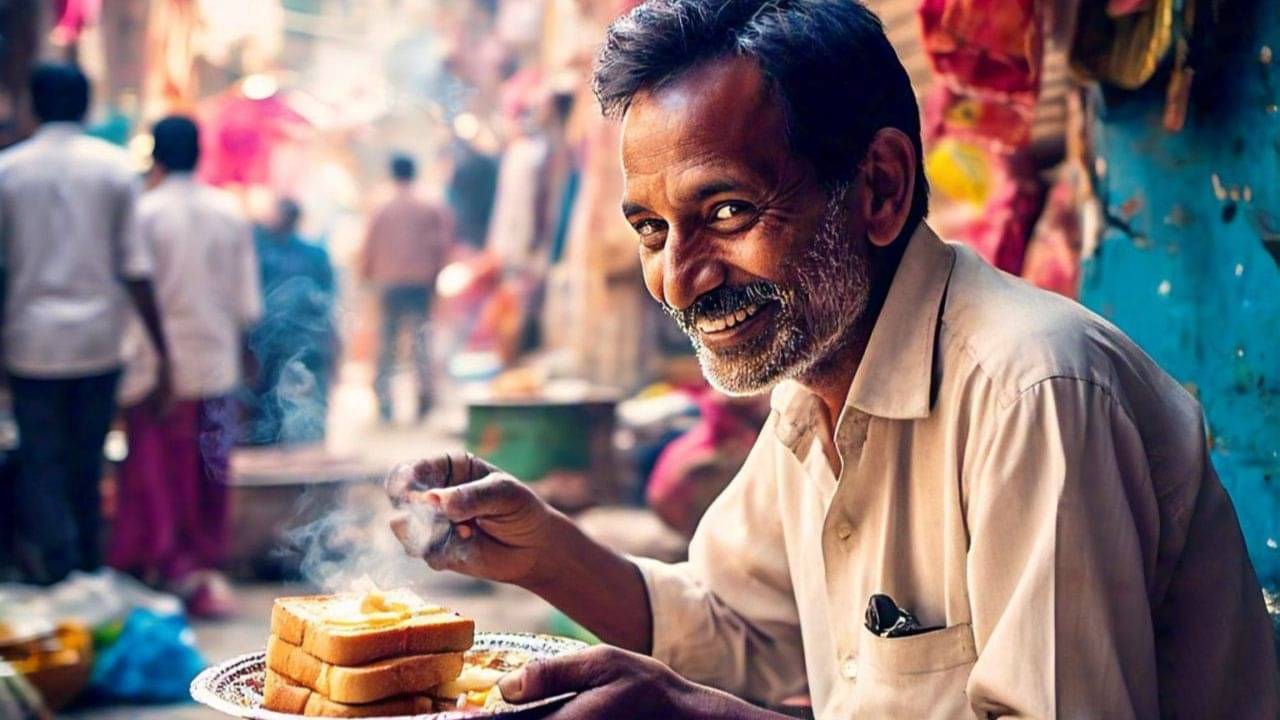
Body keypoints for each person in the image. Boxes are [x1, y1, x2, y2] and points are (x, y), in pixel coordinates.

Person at [386, 1, 1278, 718]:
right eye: (653, 230)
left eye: (727, 212)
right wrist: (538, 549)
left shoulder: (1032, 393)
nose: (679, 280)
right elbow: (730, 626)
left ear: (881, 188)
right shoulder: (815, 387)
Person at [0, 63, 171, 585]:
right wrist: (162, 349)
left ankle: (57, 574)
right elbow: (136, 271)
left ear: (32, 104)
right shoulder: (116, 169)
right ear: (85, 105)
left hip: (30, 343)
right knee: (88, 458)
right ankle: (89, 570)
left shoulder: (8, 170)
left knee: (40, 460)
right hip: (98, 342)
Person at [108, 116, 262, 615]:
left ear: (156, 156)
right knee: (209, 473)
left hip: (155, 371)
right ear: (200, 154)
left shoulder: (144, 213)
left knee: (155, 474)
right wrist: (243, 359)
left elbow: (130, 292)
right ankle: (203, 568)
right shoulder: (228, 214)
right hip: (214, 364)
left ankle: (166, 567)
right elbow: (246, 306)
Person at [359, 153, 454, 422]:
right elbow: (443, 245)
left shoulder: (381, 206)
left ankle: (385, 403)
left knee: (387, 343)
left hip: (388, 283)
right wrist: (435, 275)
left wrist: (367, 277)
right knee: (421, 341)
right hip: (420, 283)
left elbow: (368, 247)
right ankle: (424, 399)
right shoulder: (430, 204)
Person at [244, 198, 337, 445]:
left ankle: (292, 442)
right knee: (277, 392)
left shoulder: (265, 252)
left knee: (290, 392)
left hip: (287, 337)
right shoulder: (311, 253)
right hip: (276, 337)